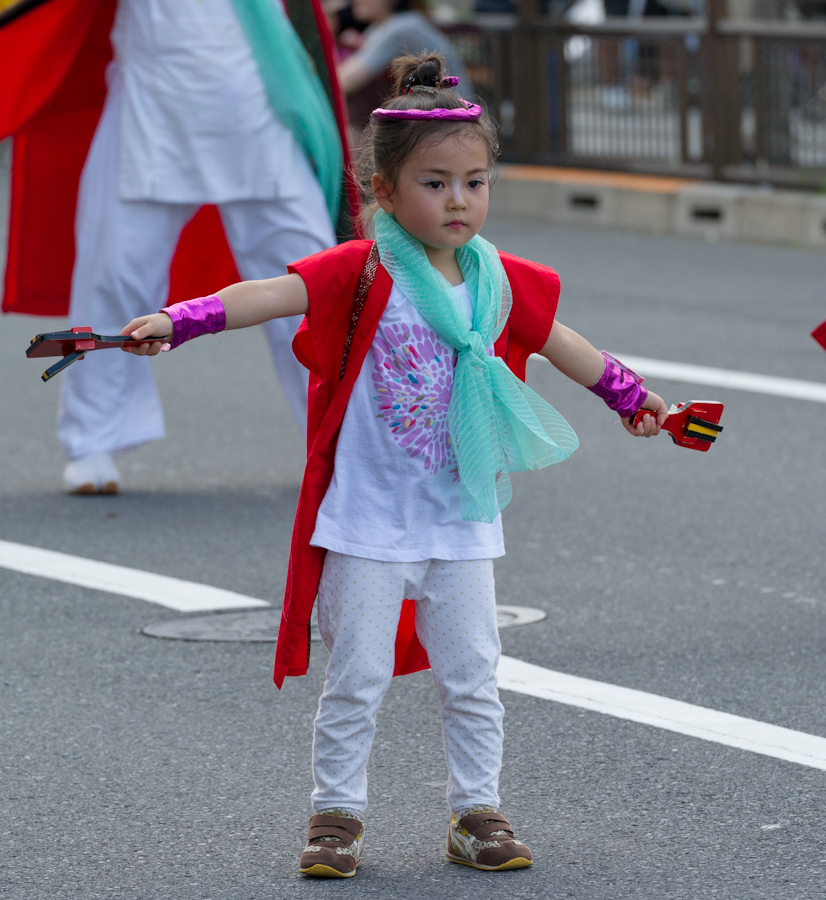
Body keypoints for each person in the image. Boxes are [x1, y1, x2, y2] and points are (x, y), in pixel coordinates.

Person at [118, 53, 669, 878]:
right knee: (358, 679)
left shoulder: (500, 280)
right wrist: (180, 318)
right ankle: (336, 816)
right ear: (383, 191)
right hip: (371, 520)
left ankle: (475, 811)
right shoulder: (364, 268)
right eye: (436, 183)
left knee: (475, 676)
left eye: (475, 183)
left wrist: (634, 398)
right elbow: (267, 293)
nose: (459, 201)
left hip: (463, 516)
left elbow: (563, 345)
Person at [0, 0, 355, 495]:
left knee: (312, 279)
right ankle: (93, 439)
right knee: (114, 274)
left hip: (256, 102)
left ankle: (340, 441)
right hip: (152, 101)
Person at [338, 0, 472, 138]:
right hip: (433, 123)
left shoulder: (402, 27)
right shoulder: (380, 27)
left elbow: (342, 83)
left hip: (452, 126)